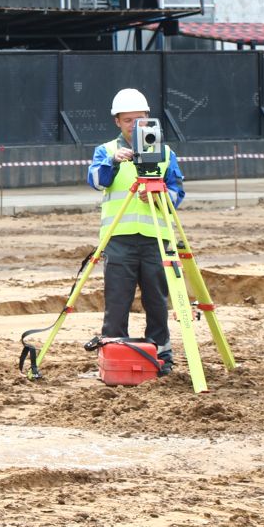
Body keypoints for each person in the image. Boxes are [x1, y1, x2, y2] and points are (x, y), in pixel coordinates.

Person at [86, 87, 187, 366]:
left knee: (156, 300)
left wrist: (159, 197)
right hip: (119, 239)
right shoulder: (105, 151)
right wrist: (112, 163)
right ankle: (116, 356)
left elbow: (177, 195)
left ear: (148, 119)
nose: (134, 125)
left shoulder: (165, 153)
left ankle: (160, 354)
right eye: (128, 120)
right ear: (117, 121)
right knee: (118, 302)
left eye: (139, 119)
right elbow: (96, 181)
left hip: (155, 238)